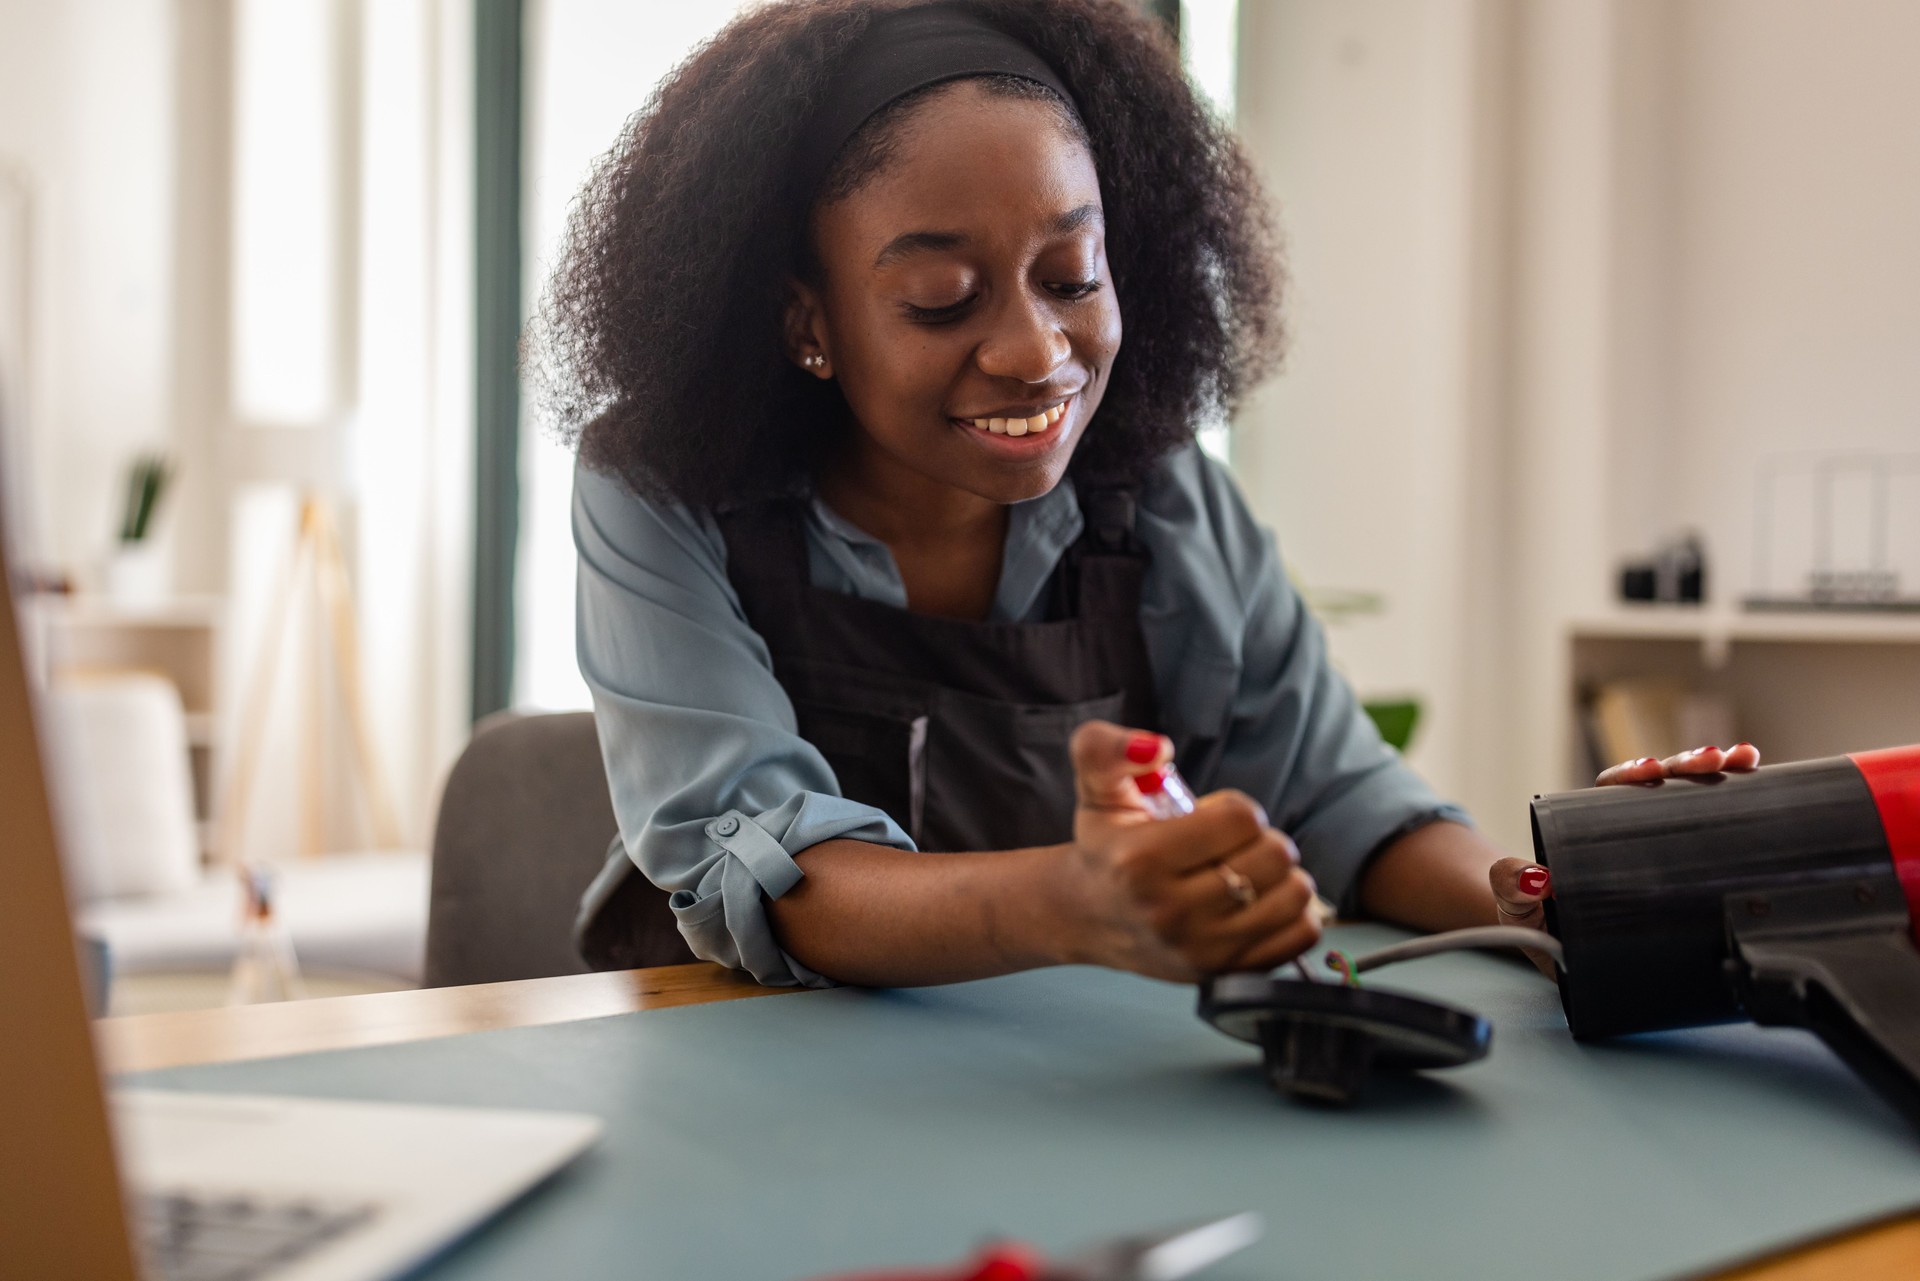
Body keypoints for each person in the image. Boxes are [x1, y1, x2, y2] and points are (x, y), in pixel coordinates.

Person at [543, 0, 1758, 989]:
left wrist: (1552, 898)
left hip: (1071, 1088)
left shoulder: (1165, 497)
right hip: (743, 1078)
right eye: (942, 300)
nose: (1035, 352)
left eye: (1073, 275)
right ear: (809, 320)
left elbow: (1342, 796)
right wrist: (1074, 901)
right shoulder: (663, 494)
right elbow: (764, 865)